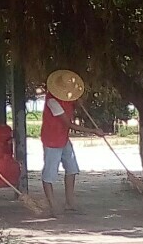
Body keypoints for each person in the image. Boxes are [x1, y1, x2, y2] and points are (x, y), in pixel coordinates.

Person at [41, 70, 101, 216]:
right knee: (49, 174)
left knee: (72, 168)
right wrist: (93, 131)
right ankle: (52, 204)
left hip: (63, 138)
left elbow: (73, 107)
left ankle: (70, 202)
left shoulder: (67, 98)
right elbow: (69, 124)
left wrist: (77, 102)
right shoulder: (52, 101)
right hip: (52, 139)